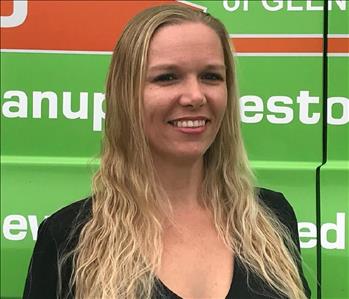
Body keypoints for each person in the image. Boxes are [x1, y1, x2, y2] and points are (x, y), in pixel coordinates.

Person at [23, 4, 311, 299]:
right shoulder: (68, 238)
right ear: (126, 93)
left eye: (211, 76)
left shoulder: (271, 219)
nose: (195, 96)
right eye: (167, 77)